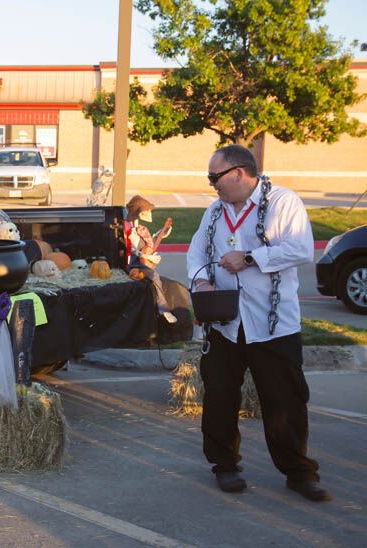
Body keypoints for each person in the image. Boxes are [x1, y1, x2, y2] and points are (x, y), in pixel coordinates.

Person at [186, 144, 331, 502]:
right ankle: (225, 466)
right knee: (219, 395)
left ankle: (299, 472)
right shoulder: (214, 212)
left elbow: (301, 249)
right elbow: (195, 254)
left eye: (214, 177)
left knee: (285, 400)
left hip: (272, 324)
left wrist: (249, 257)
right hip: (225, 324)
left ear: (237, 172)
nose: (211, 185)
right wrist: (201, 281)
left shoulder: (282, 202)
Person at [125, 195, 177, 324]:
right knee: (155, 278)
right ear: (139, 212)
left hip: (142, 258)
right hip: (134, 263)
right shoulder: (129, 228)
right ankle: (163, 309)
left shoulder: (136, 225)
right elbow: (133, 250)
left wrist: (161, 233)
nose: (149, 214)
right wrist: (148, 257)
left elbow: (146, 245)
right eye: (147, 211)